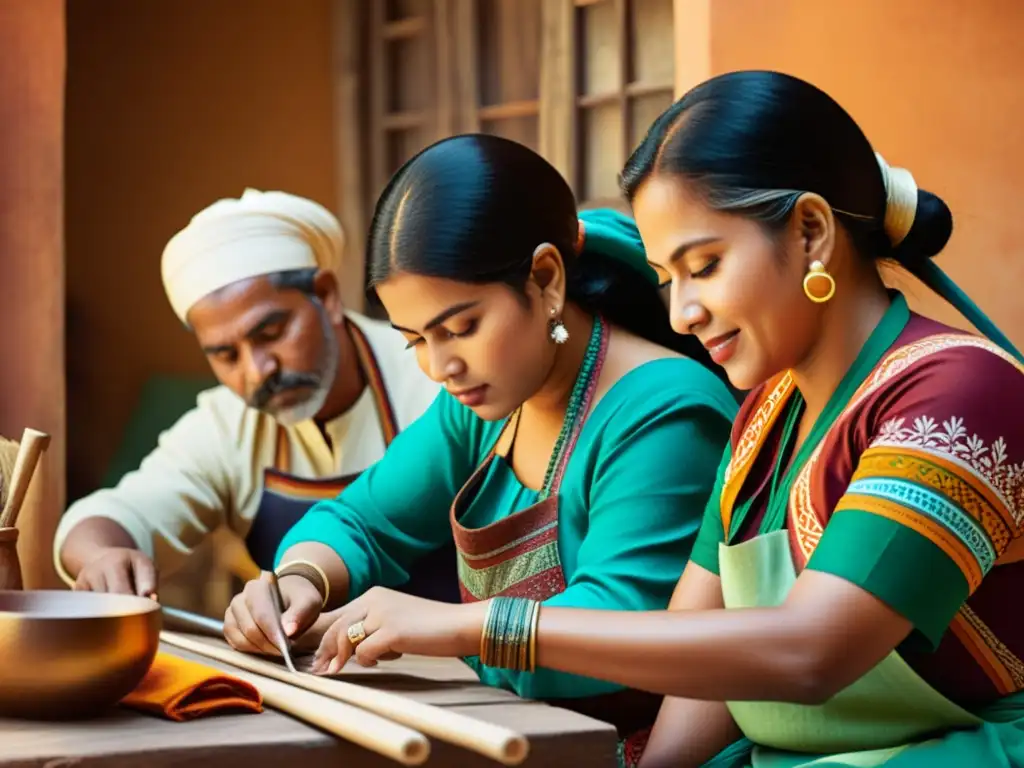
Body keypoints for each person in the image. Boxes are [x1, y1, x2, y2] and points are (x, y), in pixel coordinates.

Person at [264, 72, 1024, 768]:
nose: (681, 313)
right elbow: (711, 667)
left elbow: (810, 651)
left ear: (811, 233)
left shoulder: (960, 391)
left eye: (704, 267)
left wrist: (473, 626)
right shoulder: (765, 412)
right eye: (666, 278)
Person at [223, 134, 740, 764]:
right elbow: (362, 518)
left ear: (546, 279)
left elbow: (624, 623)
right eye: (415, 339)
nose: (441, 366)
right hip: (520, 733)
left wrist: (446, 627)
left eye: (461, 327)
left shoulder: (665, 408)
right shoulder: (489, 401)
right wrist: (301, 580)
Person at [53, 189, 448, 601]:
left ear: (327, 295)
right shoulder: (227, 425)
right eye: (226, 355)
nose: (258, 371)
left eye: (271, 334)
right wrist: (102, 557)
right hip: (299, 665)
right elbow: (121, 512)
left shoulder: (436, 380)